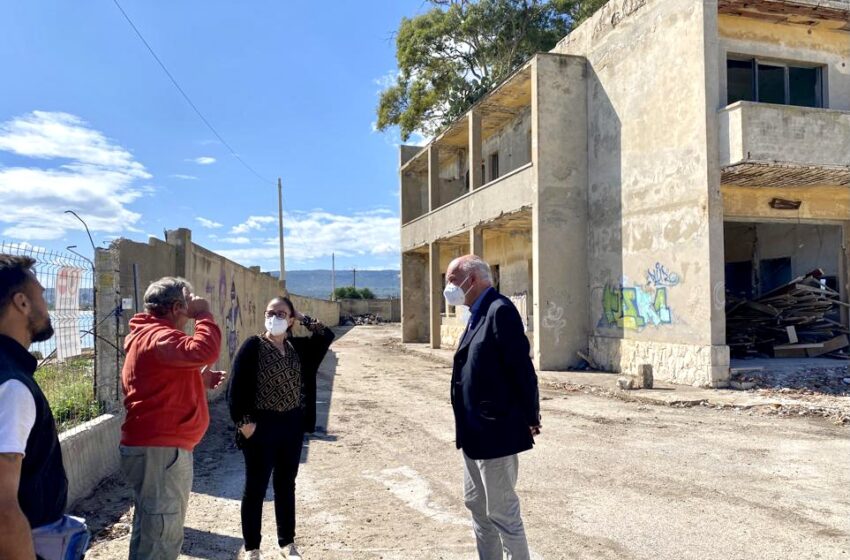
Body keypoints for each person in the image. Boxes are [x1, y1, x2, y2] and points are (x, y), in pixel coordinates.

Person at [120, 276, 225, 560]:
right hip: (161, 452)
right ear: (178, 306)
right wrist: (203, 313)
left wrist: (198, 378)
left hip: (155, 449)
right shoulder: (160, 336)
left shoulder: (149, 335)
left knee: (151, 527)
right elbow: (204, 349)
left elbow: (161, 379)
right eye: (188, 302)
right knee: (161, 536)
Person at [445, 255, 541, 560]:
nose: (448, 287)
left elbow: (521, 368)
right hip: (473, 434)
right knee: (477, 508)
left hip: (496, 431)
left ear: (471, 280)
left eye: (451, 280)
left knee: (503, 514)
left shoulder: (500, 310)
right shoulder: (475, 313)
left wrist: (530, 416)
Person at [227, 296, 335, 560]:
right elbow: (235, 387)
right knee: (255, 488)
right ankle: (252, 547)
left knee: (286, 485)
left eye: (281, 313)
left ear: (289, 320)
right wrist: (244, 424)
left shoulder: (298, 347)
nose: (274, 317)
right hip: (261, 426)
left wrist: (301, 316)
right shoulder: (253, 345)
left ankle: (287, 542)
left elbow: (326, 335)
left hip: (291, 426)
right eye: (270, 312)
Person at [0, 254, 88, 560]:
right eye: (41, 295)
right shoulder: (12, 386)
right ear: (22, 303)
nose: (46, 307)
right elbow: (3, 508)